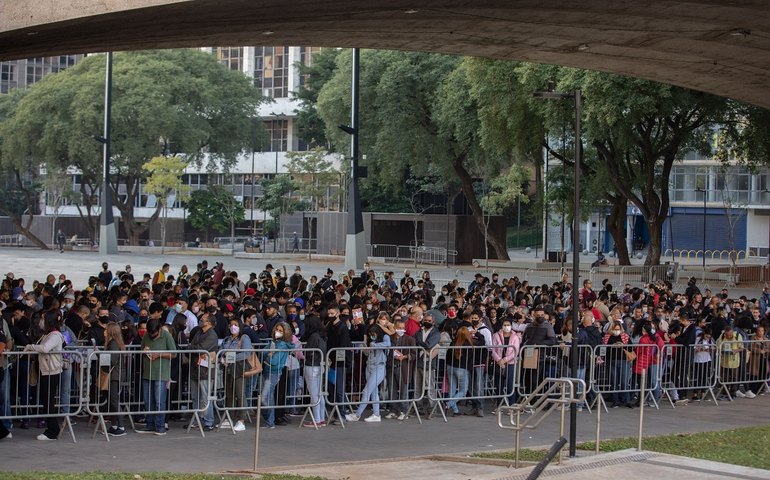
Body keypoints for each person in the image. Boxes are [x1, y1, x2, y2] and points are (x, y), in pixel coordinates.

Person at [24, 311, 65, 440]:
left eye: (43, 319)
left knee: (48, 401)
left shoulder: (55, 335)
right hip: (45, 370)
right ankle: (52, 428)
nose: (41, 321)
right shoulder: (48, 334)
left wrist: (30, 347)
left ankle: (53, 430)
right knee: (46, 400)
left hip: (51, 371)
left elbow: (45, 348)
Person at [346, 323, 393, 423]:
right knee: (373, 392)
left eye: (374, 333)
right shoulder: (371, 340)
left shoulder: (384, 337)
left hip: (379, 367)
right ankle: (376, 414)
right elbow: (368, 351)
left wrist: (375, 345)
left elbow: (388, 344)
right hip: (369, 366)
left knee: (366, 391)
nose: (372, 335)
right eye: (371, 333)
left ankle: (357, 414)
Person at [137, 317, 177, 435]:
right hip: (147, 372)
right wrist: (145, 351)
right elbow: (141, 348)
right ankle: (149, 424)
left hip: (161, 373)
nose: (152, 335)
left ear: (159, 329)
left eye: (154, 333)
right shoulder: (146, 336)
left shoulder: (167, 336)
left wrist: (159, 354)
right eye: (150, 333)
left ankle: (160, 426)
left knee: (160, 401)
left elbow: (174, 353)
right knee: (147, 401)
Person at [186, 312, 217, 432]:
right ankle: (197, 419)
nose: (200, 320)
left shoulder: (212, 335)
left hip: (205, 370)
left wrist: (192, 348)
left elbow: (199, 348)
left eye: (203, 319)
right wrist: (192, 348)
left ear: (208, 322)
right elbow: (193, 346)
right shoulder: (199, 332)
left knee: (205, 397)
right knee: (195, 397)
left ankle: (208, 421)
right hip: (195, 368)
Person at [220, 317, 252, 432]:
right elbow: (221, 351)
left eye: (236, 324)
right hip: (227, 369)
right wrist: (222, 359)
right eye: (231, 324)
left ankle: (242, 420)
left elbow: (246, 353)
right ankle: (228, 418)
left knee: (240, 393)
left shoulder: (244, 338)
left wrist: (231, 358)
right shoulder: (226, 339)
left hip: (239, 368)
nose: (233, 327)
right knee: (229, 394)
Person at [260, 322, 294, 428]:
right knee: (268, 396)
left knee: (265, 398)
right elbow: (263, 352)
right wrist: (269, 354)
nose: (277, 332)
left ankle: (269, 420)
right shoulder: (273, 342)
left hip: (273, 372)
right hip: (267, 370)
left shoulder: (282, 345)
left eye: (280, 331)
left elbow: (274, 361)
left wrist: (269, 356)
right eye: (277, 329)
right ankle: (269, 421)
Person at [446, 326, 483, 417]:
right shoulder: (469, 344)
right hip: (462, 369)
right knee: (463, 390)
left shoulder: (453, 342)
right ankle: (448, 404)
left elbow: (448, 355)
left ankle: (455, 410)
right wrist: (476, 333)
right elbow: (482, 342)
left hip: (450, 367)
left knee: (452, 389)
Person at [386, 317, 416, 420]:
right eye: (399, 327)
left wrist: (405, 357)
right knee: (391, 389)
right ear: (394, 327)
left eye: (403, 328)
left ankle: (404, 411)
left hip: (403, 367)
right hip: (391, 366)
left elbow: (414, 354)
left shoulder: (410, 339)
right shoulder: (389, 338)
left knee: (404, 390)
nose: (401, 330)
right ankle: (393, 410)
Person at [301, 315, 327, 427]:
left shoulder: (313, 337)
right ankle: (321, 418)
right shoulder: (322, 335)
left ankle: (317, 419)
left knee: (314, 394)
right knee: (319, 394)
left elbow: (307, 352)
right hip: (319, 366)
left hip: (311, 366)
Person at [102, 322, 127, 436]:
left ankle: (121, 426)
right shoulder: (113, 343)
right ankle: (114, 425)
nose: (104, 331)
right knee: (112, 400)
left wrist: (98, 355)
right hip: (115, 374)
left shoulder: (113, 344)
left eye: (106, 329)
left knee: (114, 400)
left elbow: (111, 360)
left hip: (115, 375)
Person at [491, 318, 520, 408]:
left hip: (510, 364)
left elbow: (515, 351)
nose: (506, 327)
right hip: (498, 363)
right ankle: (499, 405)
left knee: (510, 384)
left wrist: (505, 360)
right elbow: (492, 349)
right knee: (499, 384)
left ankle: (511, 405)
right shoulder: (496, 335)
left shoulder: (515, 337)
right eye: (505, 325)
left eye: (508, 325)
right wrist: (499, 360)